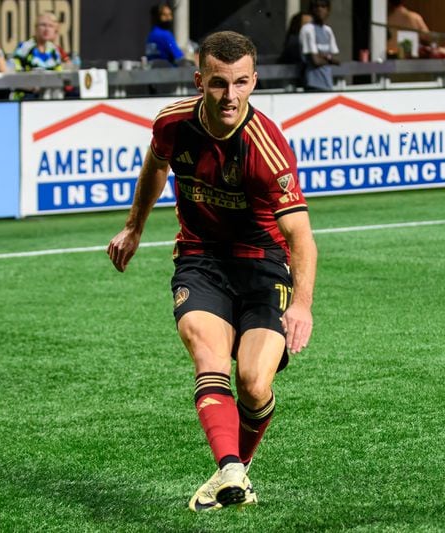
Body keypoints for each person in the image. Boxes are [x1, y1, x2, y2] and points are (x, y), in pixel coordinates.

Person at [107, 30, 316, 512]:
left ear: (254, 81)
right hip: (200, 260)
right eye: (219, 84)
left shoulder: (267, 149)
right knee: (209, 358)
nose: (230, 96)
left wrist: (302, 304)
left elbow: (301, 237)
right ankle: (232, 472)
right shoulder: (173, 123)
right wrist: (134, 228)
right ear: (200, 80)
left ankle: (231, 471)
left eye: (241, 83)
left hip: (263, 267)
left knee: (254, 384)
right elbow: (155, 168)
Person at [12, 12, 72, 100]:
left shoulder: (54, 50)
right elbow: (14, 75)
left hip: (50, 95)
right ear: (36, 28)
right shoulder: (24, 48)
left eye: (51, 26)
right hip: (27, 95)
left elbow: (59, 74)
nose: (47, 29)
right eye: (43, 25)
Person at [299, 0, 340, 91]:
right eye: (316, 6)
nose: (319, 9)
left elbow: (337, 59)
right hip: (313, 84)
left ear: (328, 10)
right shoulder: (308, 29)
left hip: (327, 83)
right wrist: (329, 60)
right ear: (311, 10)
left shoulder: (328, 31)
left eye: (323, 6)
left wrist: (324, 58)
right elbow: (315, 61)